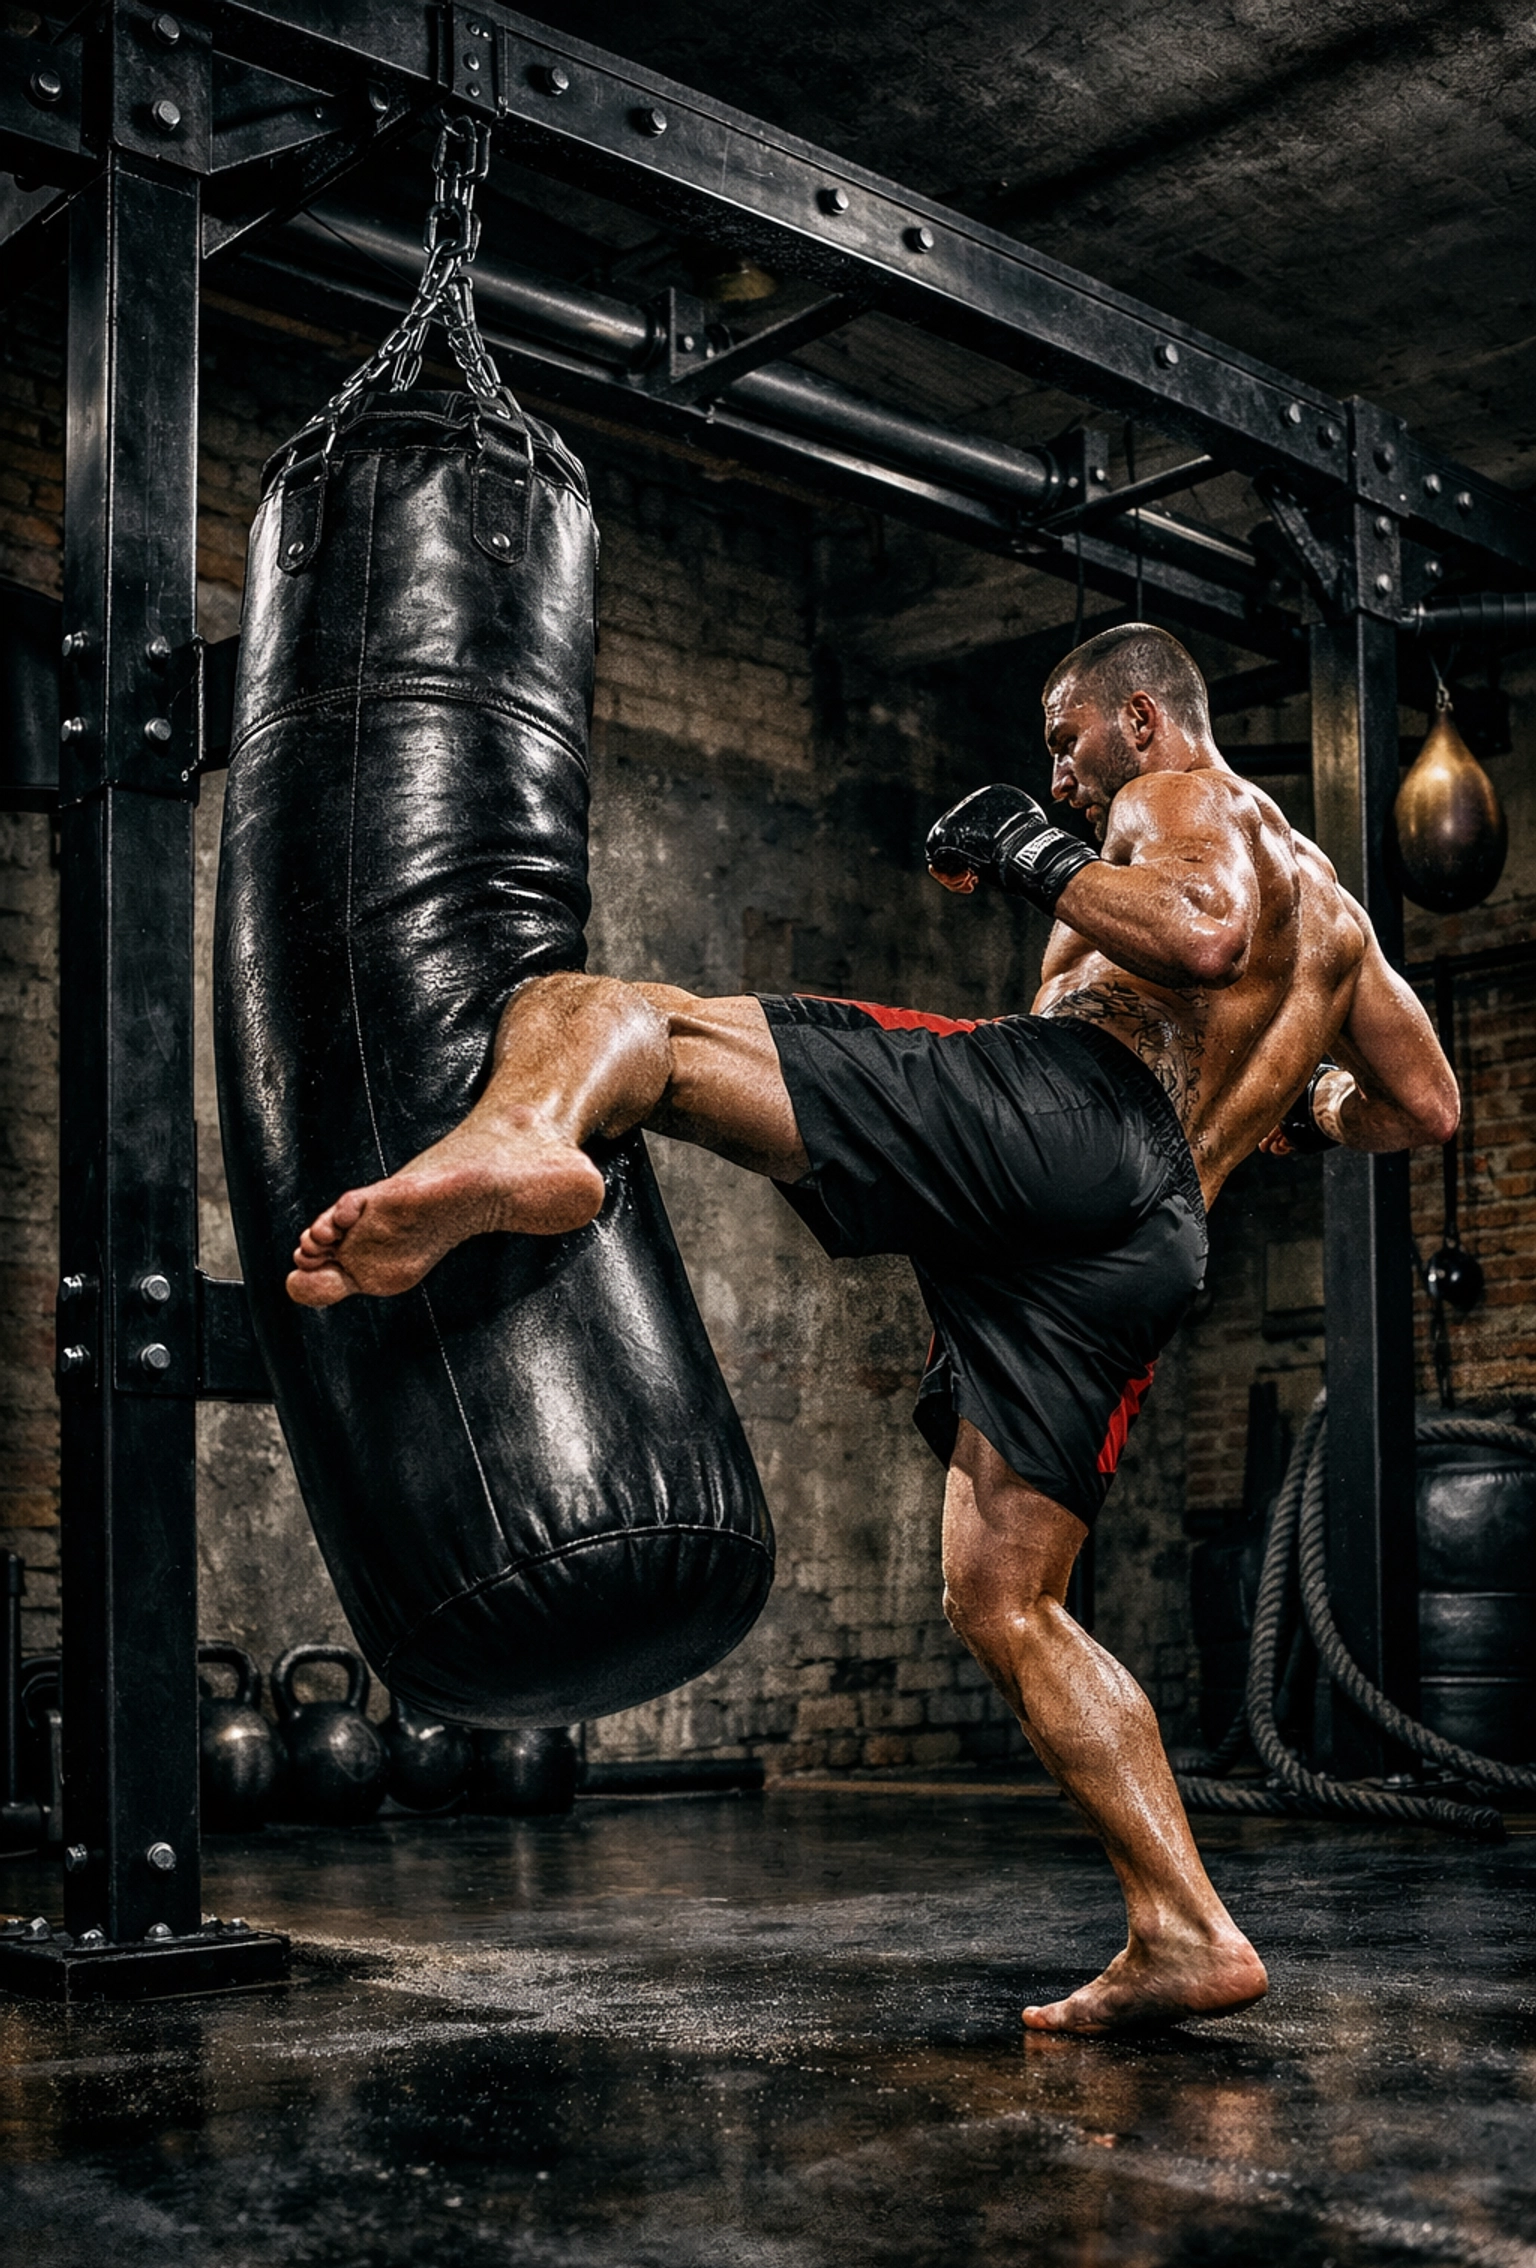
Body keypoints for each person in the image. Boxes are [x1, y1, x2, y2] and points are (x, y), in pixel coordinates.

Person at [285, 623, 1459, 2034]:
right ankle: (1187, 1926)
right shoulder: (1337, 918)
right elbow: (1427, 1109)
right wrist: (1306, 1109)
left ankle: (538, 1133)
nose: (1059, 770)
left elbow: (1201, 936)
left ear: (1143, 720)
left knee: (610, 1010)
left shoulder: (1181, 798)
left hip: (1082, 1119)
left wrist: (1036, 853)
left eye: (1066, 737)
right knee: (1005, 1600)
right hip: (1151, 1243)